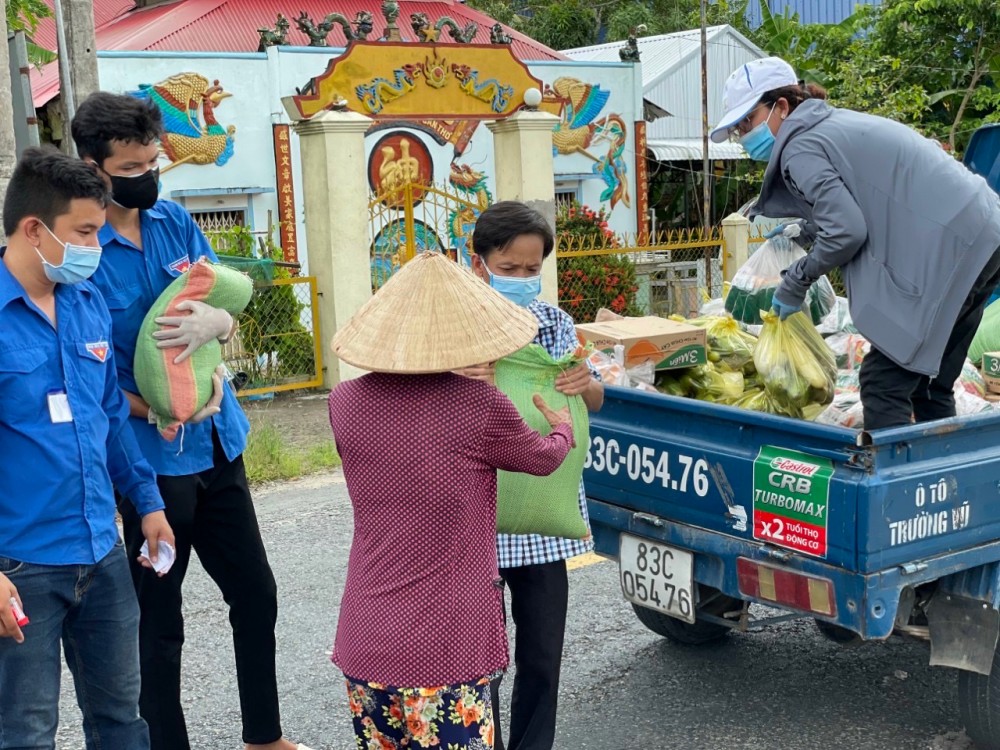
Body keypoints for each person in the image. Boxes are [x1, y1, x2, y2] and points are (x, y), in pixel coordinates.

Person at [70, 92, 311, 750]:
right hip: (149, 461)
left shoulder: (174, 223)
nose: (148, 175)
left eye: (154, 161)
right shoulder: (81, 253)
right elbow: (86, 376)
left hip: (217, 441)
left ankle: (264, 736)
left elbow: (218, 294)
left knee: (256, 594)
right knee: (159, 619)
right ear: (93, 166)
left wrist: (222, 323)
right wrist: (156, 408)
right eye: (132, 165)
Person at [327, 251, 576, 750]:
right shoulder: (478, 406)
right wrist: (563, 426)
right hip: (446, 645)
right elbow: (544, 459)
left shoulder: (344, 401)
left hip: (366, 637)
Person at [711, 56, 1000, 430]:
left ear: (781, 106)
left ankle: (897, 487)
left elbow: (848, 231)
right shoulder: (831, 125)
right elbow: (861, 199)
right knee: (929, 386)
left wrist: (796, 280)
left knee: (883, 384)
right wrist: (808, 230)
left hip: (949, 250)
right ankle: (940, 482)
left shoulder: (800, 146)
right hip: (984, 236)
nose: (744, 136)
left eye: (747, 122)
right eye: (737, 130)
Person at [0, 146, 174, 748]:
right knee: (24, 731)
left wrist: (147, 504)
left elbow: (108, 420)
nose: (95, 248)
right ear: (34, 229)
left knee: (122, 719)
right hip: (20, 567)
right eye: (85, 232)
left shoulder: (85, 302)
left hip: (101, 553)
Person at [459, 201, 604, 750]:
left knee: (541, 655)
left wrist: (584, 382)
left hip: (544, 519)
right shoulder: (455, 328)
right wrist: (460, 376)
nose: (522, 279)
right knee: (481, 658)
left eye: (532, 269)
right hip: (473, 524)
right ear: (479, 264)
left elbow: (596, 398)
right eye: (509, 268)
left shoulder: (554, 322)